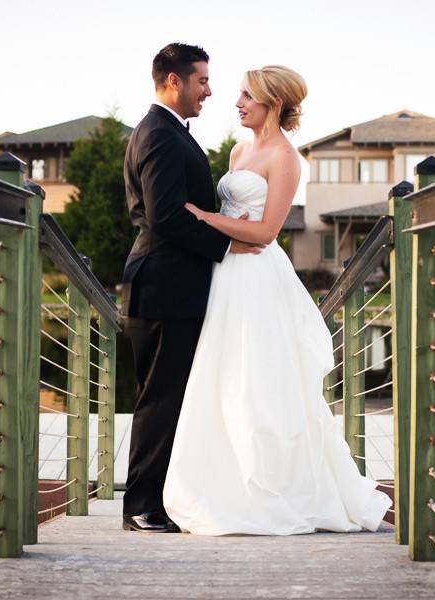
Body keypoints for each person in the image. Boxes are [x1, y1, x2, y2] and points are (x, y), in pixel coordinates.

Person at [163, 65, 393, 535]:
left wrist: (206, 218)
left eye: (247, 96)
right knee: (221, 375)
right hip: (225, 272)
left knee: (257, 381)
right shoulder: (238, 149)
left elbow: (267, 231)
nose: (238, 102)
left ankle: (274, 488)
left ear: (273, 103)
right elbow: (235, 214)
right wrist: (215, 224)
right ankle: (222, 481)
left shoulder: (286, 158)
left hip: (256, 277)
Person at [120, 43, 261, 533]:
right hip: (163, 286)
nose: (209, 90)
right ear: (174, 80)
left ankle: (158, 500)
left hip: (170, 285)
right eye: (202, 80)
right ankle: (141, 507)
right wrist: (226, 244)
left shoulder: (168, 131)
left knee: (169, 397)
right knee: (160, 399)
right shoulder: (158, 133)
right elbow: (163, 214)